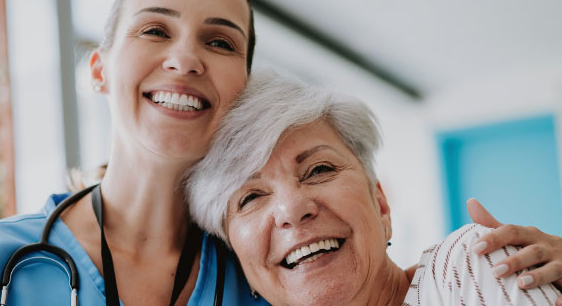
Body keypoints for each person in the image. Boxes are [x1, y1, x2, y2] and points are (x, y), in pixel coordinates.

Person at [0, 0, 562, 304]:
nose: (185, 57)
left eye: (221, 42)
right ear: (98, 70)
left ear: (240, 84)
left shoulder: (262, 270)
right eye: (153, 28)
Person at [185, 69, 562, 305]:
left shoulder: (464, 267)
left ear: (380, 205)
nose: (291, 208)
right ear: (238, 258)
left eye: (318, 169)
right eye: (250, 197)